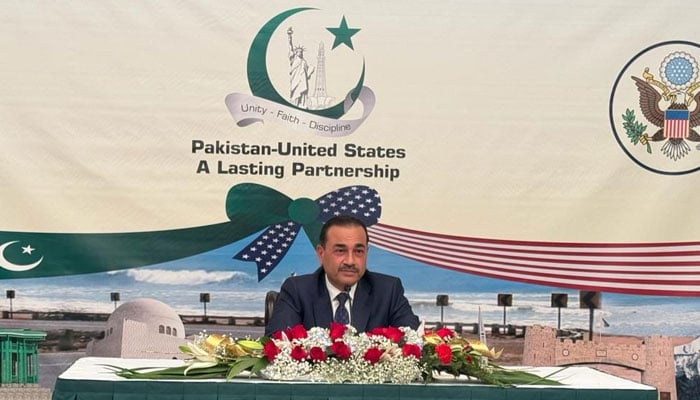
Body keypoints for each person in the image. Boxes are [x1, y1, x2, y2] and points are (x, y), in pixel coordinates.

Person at [264, 215, 420, 336]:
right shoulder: (297, 291)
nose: (350, 261)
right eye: (340, 251)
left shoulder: (388, 291)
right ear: (321, 253)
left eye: (358, 251)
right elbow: (279, 344)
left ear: (366, 252)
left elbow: (413, 342)